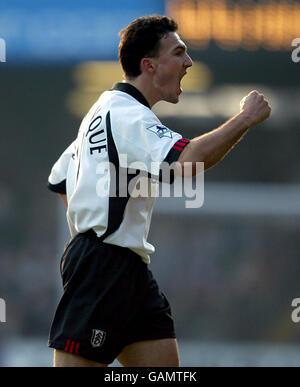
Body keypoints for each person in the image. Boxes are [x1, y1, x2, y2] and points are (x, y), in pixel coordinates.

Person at [47, 15, 271, 367]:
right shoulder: (127, 115)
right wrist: (245, 118)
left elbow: (60, 180)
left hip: (126, 267)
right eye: (179, 52)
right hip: (104, 267)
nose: (189, 62)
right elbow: (189, 162)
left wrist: (92, 224)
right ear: (149, 65)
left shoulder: (101, 111)